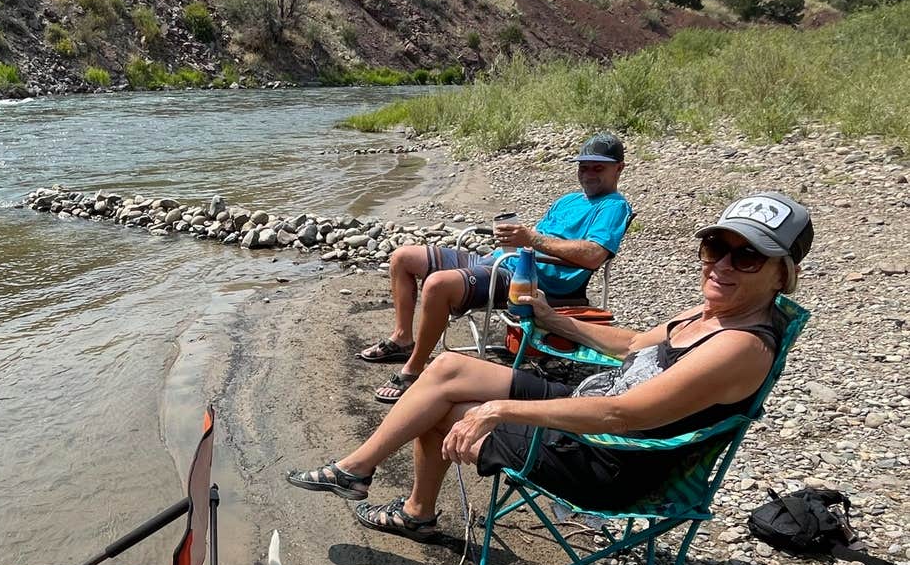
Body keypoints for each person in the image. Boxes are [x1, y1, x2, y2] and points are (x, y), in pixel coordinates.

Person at [290, 192, 812, 538]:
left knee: (445, 411)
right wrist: (553, 319)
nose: (722, 265)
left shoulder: (739, 346)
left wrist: (497, 410)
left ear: (782, 275)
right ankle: (357, 470)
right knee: (448, 370)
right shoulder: (712, 312)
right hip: (593, 407)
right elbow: (634, 344)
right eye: (716, 247)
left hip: (609, 460)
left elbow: (623, 416)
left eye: (747, 257)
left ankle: (415, 514)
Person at [359, 133, 633, 403]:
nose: (588, 174)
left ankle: (414, 369)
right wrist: (513, 240)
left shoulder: (613, 206)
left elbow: (594, 255)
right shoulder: (568, 200)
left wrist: (530, 239)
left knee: (437, 285)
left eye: (598, 168)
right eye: (584, 167)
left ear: (618, 168)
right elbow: (539, 236)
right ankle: (403, 338)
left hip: (529, 279)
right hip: (504, 260)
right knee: (403, 257)